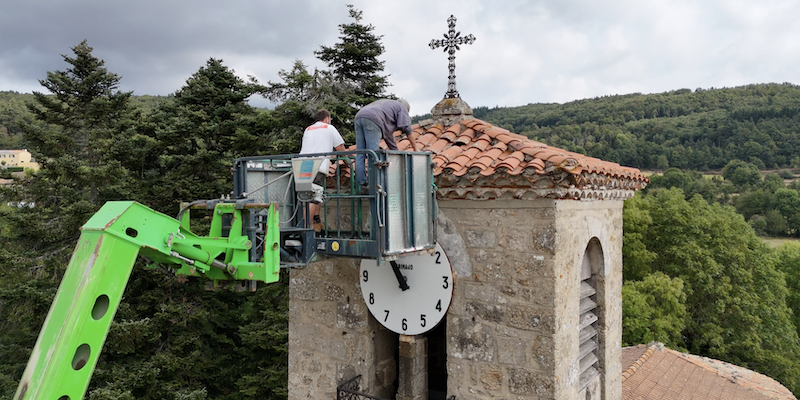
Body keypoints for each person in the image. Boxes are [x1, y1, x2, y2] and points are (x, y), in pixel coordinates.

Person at [300, 109, 345, 230]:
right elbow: (340, 148)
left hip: (302, 165)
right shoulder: (329, 128)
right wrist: (347, 160)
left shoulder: (308, 129)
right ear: (326, 118)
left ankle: (315, 221)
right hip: (317, 166)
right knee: (312, 199)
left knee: (310, 196)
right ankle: (306, 230)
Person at [354, 99, 412, 190]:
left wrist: (395, 151)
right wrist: (416, 148)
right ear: (405, 108)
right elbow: (407, 128)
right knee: (373, 154)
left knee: (360, 152)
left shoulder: (387, 107)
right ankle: (373, 183)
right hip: (372, 118)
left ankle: (362, 183)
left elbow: (389, 137)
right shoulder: (401, 107)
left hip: (359, 116)